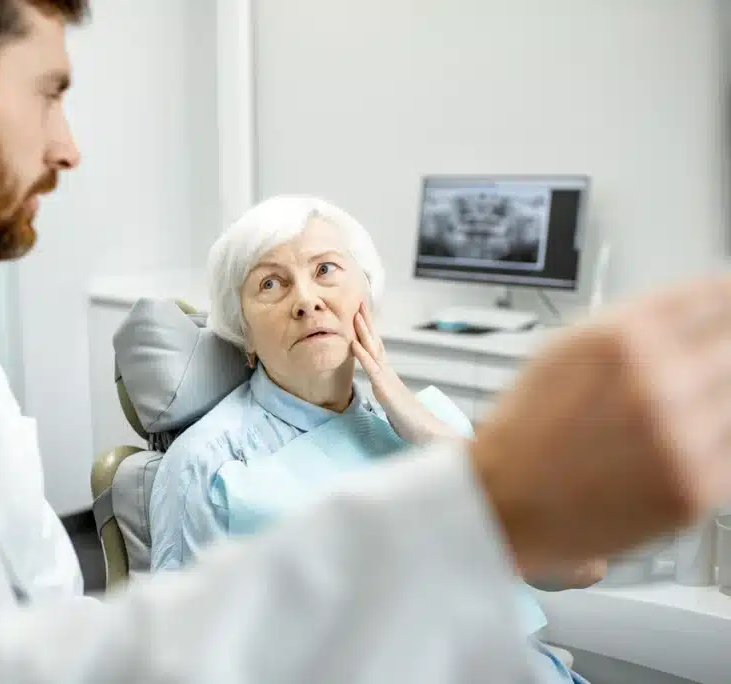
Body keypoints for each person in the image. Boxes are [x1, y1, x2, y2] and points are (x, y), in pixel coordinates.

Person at [0, 2, 730, 683]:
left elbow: (64, 637)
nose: (69, 147)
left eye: (328, 271)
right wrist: (484, 498)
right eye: (51, 91)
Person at [148, 195, 598, 682]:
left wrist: (418, 423)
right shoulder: (210, 460)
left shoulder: (430, 426)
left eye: (325, 270)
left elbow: (580, 566)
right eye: (271, 284)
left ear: (367, 295)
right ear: (245, 335)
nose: (306, 300)